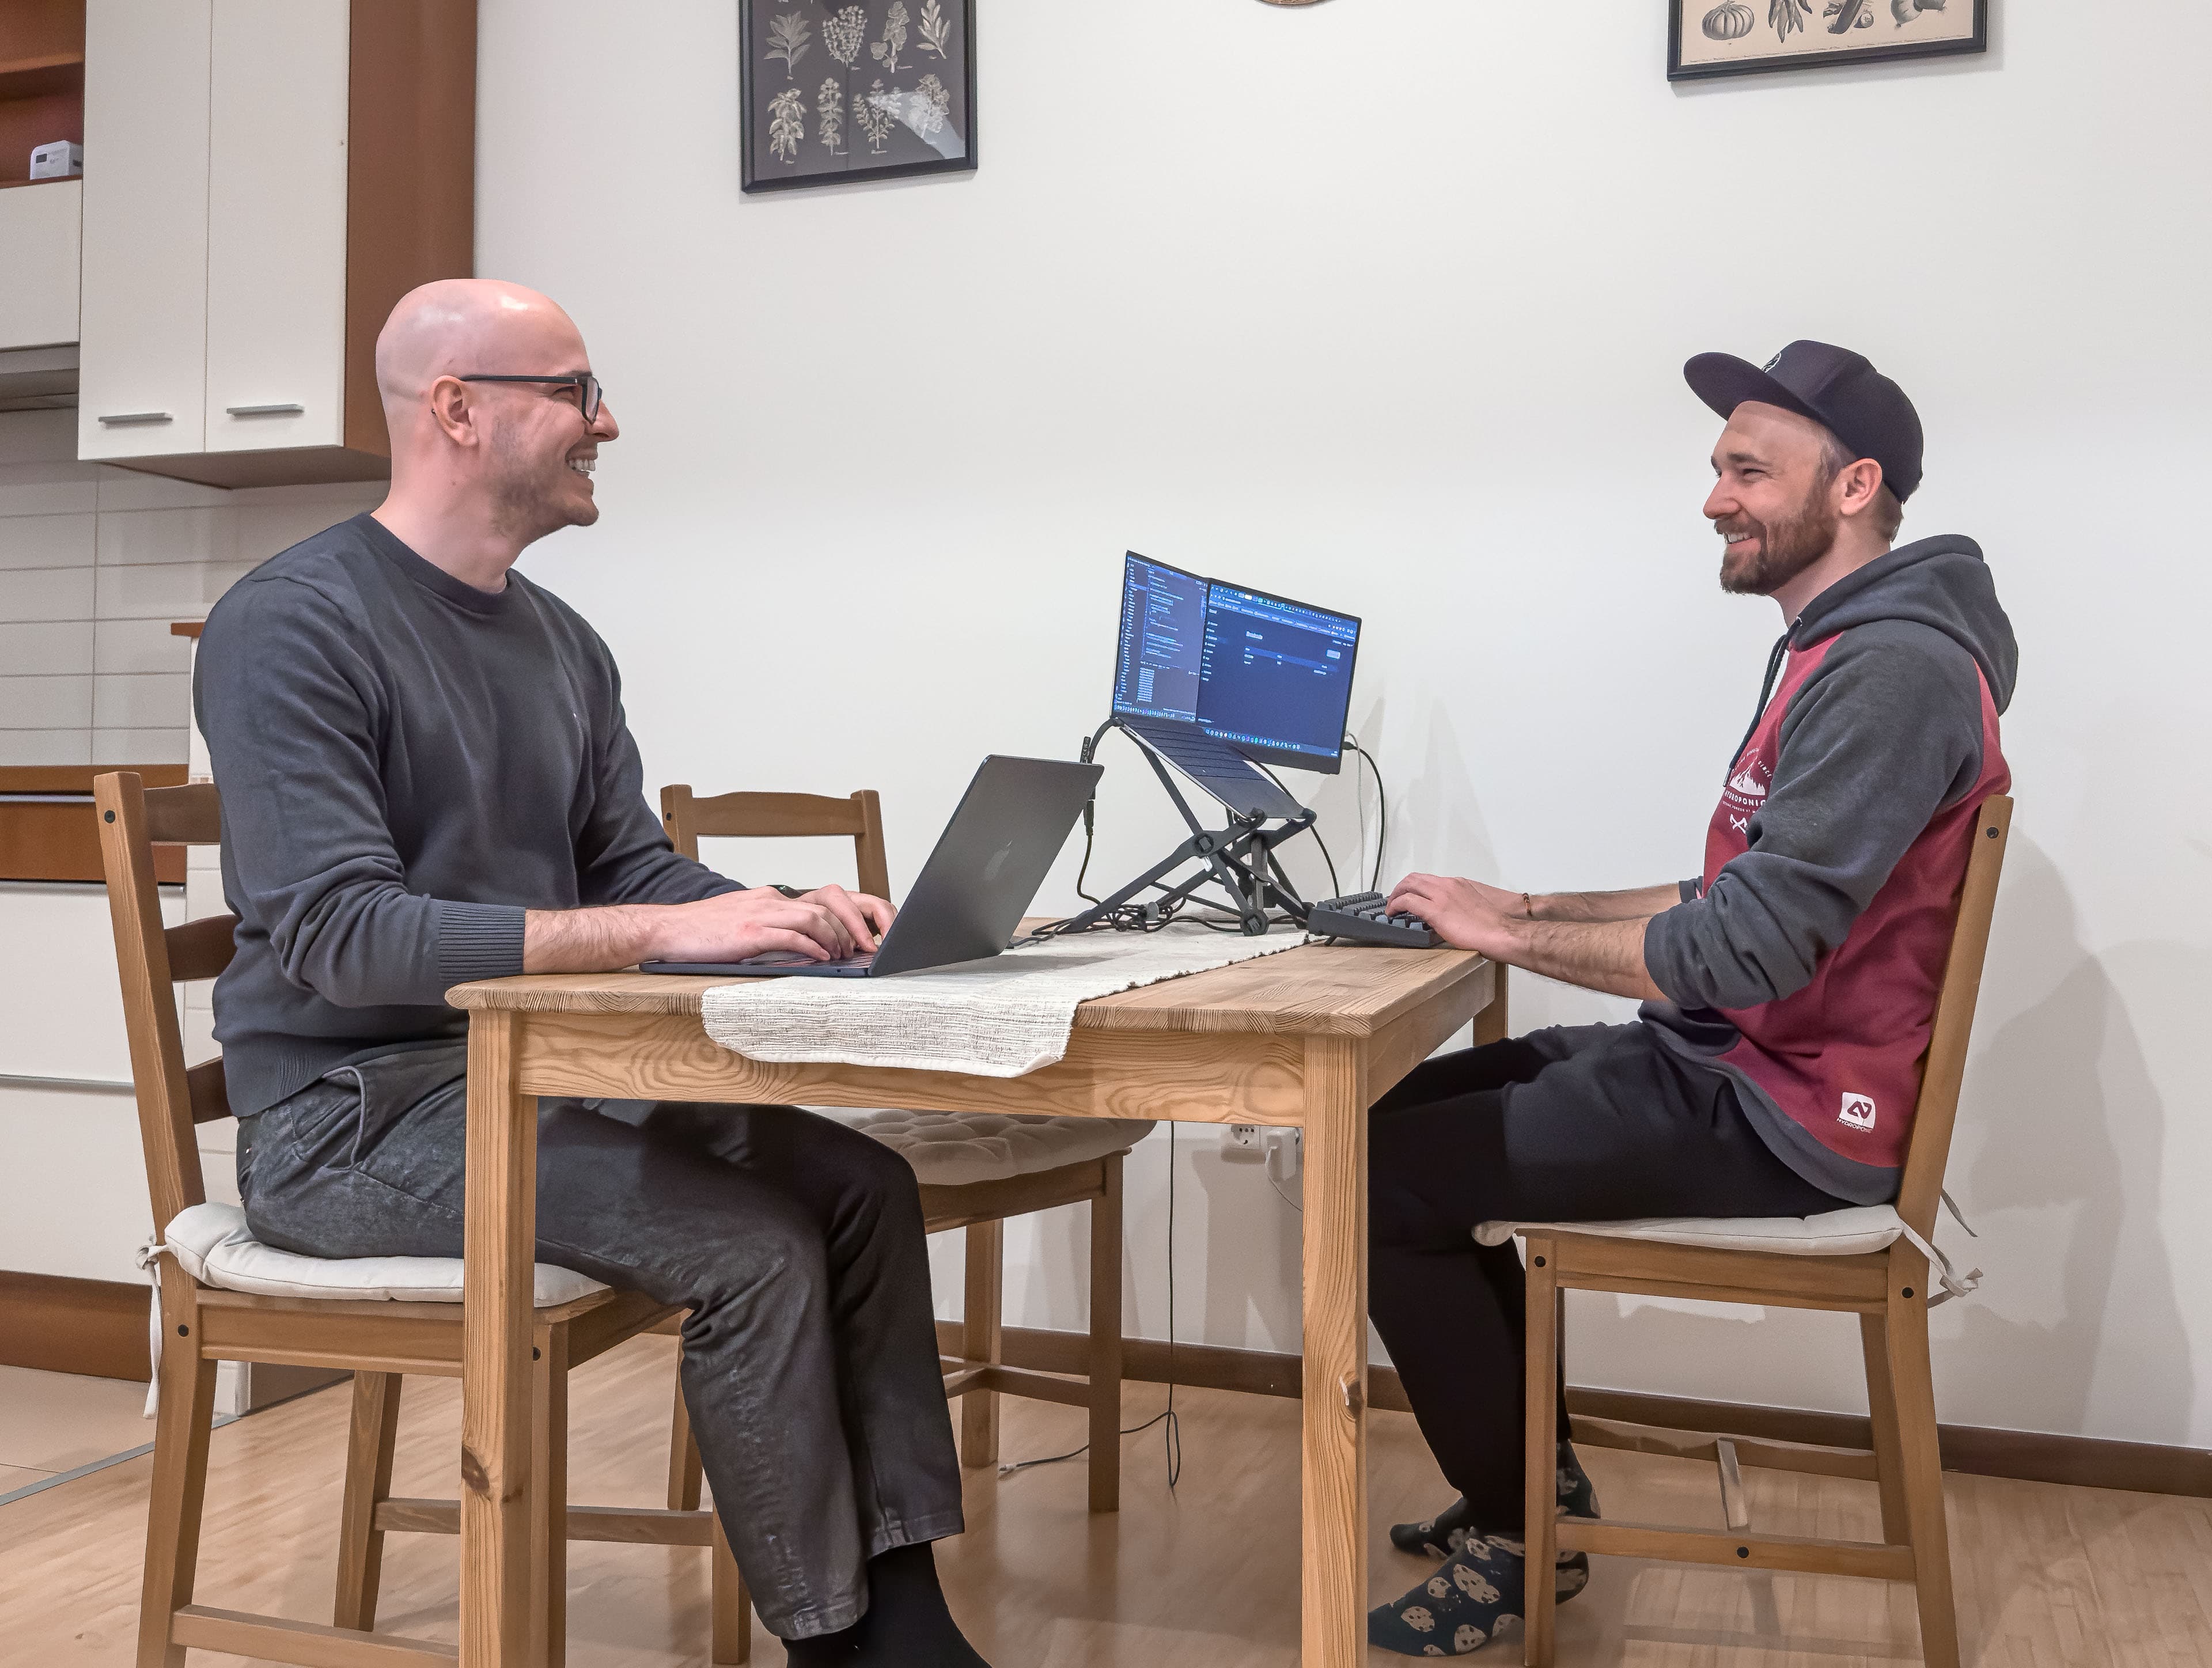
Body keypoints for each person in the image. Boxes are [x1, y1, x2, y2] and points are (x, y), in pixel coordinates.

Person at [197, 279, 991, 1667]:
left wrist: (776, 907)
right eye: (573, 390)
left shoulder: (566, 644)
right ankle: (841, 1648)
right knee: (750, 1248)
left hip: (533, 1080)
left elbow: (628, 873)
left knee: (863, 1187)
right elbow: (339, 932)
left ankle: (912, 1624)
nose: (604, 420)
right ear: (458, 408)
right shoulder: (291, 624)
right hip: (348, 1118)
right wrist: (655, 932)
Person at [1362, 342, 2016, 1656]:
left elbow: (1752, 945)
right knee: (1395, 1109)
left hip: (1784, 1111)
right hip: (1741, 1067)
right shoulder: (1843, 651)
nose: (1714, 497)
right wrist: (1523, 908)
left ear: (1855, 485)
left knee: (1376, 1179)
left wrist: (1513, 939)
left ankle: (1516, 1527)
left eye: (1746, 470)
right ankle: (1531, 1479)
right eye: (1717, 468)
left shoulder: (1890, 671)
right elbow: (1723, 889)